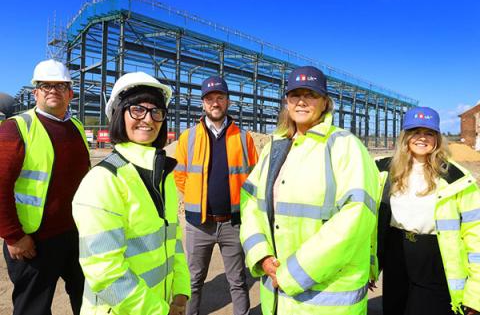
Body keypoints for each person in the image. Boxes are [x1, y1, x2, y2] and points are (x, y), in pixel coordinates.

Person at [239, 65, 381, 315]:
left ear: (325, 102)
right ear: (286, 101)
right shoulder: (274, 148)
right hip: (277, 295)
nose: (301, 101)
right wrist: (261, 255)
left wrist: (291, 273)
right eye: (295, 94)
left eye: (311, 95)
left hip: (326, 300)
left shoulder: (345, 146)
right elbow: (251, 203)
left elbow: (355, 218)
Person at [72, 72, 191, 315]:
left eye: (156, 111)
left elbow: (174, 241)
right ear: (119, 115)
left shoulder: (163, 177)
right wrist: (158, 311)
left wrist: (180, 291)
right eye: (137, 109)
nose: (148, 118)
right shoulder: (104, 181)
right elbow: (105, 271)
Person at [0, 59, 90, 315]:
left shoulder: (77, 128)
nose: (53, 90)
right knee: (33, 308)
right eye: (45, 85)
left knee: (88, 301)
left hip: (76, 235)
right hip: (33, 242)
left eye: (60, 86)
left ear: (70, 93)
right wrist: (13, 236)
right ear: (35, 92)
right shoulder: (16, 129)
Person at [375, 106, 480, 315]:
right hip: (395, 253)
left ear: (437, 139)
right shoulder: (383, 170)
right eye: (415, 132)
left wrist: (476, 292)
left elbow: (475, 233)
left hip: (435, 259)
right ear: (405, 136)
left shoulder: (457, 178)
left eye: (429, 133)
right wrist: (371, 266)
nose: (422, 138)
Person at [174, 76, 258, 315]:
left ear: (228, 102)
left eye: (220, 98)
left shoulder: (244, 138)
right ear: (203, 104)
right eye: (210, 98)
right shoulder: (188, 137)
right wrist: (194, 199)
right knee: (192, 281)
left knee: (238, 281)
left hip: (233, 223)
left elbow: (255, 178)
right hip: (198, 224)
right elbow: (180, 176)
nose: (215, 103)